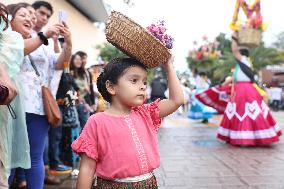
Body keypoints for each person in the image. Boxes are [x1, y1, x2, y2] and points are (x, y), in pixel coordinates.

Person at [72, 56, 184, 188]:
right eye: (134, 80)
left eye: (144, 82)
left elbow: (176, 101)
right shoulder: (97, 121)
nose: (142, 87)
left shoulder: (146, 113)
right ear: (111, 87)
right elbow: (87, 168)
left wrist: (169, 66)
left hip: (149, 184)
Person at [15, 1, 72, 188]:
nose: (35, 17)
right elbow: (17, 50)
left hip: (38, 107)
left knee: (35, 157)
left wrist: (68, 44)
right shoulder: (11, 36)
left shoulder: (44, 41)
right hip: (13, 105)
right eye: (30, 13)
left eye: (47, 15)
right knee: (9, 158)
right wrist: (44, 34)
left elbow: (59, 64)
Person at [217, 32, 281, 146]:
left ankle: (244, 137)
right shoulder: (244, 63)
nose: (236, 55)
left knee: (242, 111)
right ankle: (250, 136)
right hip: (245, 89)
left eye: (238, 53)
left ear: (242, 54)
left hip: (243, 90)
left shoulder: (243, 60)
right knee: (246, 111)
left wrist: (234, 38)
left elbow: (234, 50)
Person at [70, 52, 93, 128]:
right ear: (72, 60)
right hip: (73, 103)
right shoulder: (69, 72)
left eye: (80, 59)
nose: (78, 61)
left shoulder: (83, 73)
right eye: (76, 59)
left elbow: (88, 89)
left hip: (83, 103)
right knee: (76, 127)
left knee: (85, 126)